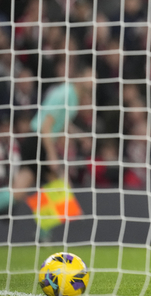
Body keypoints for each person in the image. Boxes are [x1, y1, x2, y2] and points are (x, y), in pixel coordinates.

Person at [0, 65, 94, 214]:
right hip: (39, 141)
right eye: (90, 77)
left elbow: (62, 121)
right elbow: (46, 126)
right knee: (62, 187)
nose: (93, 82)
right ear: (80, 78)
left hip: (36, 140)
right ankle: (42, 235)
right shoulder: (65, 94)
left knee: (19, 191)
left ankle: (42, 234)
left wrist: (81, 136)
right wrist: (51, 155)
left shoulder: (74, 96)